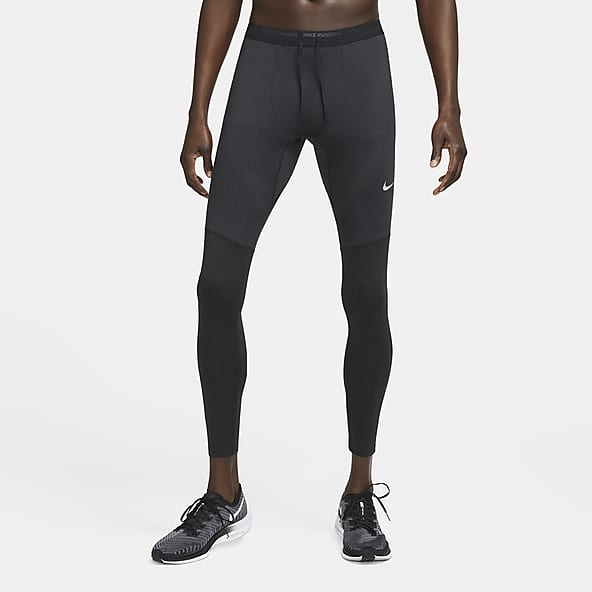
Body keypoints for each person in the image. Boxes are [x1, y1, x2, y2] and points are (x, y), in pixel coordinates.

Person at [151, 0, 467, 564]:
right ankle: (224, 494)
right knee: (217, 285)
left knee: (366, 292)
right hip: (266, 65)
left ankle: (359, 493)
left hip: (357, 68)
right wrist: (198, 108)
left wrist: (449, 102)